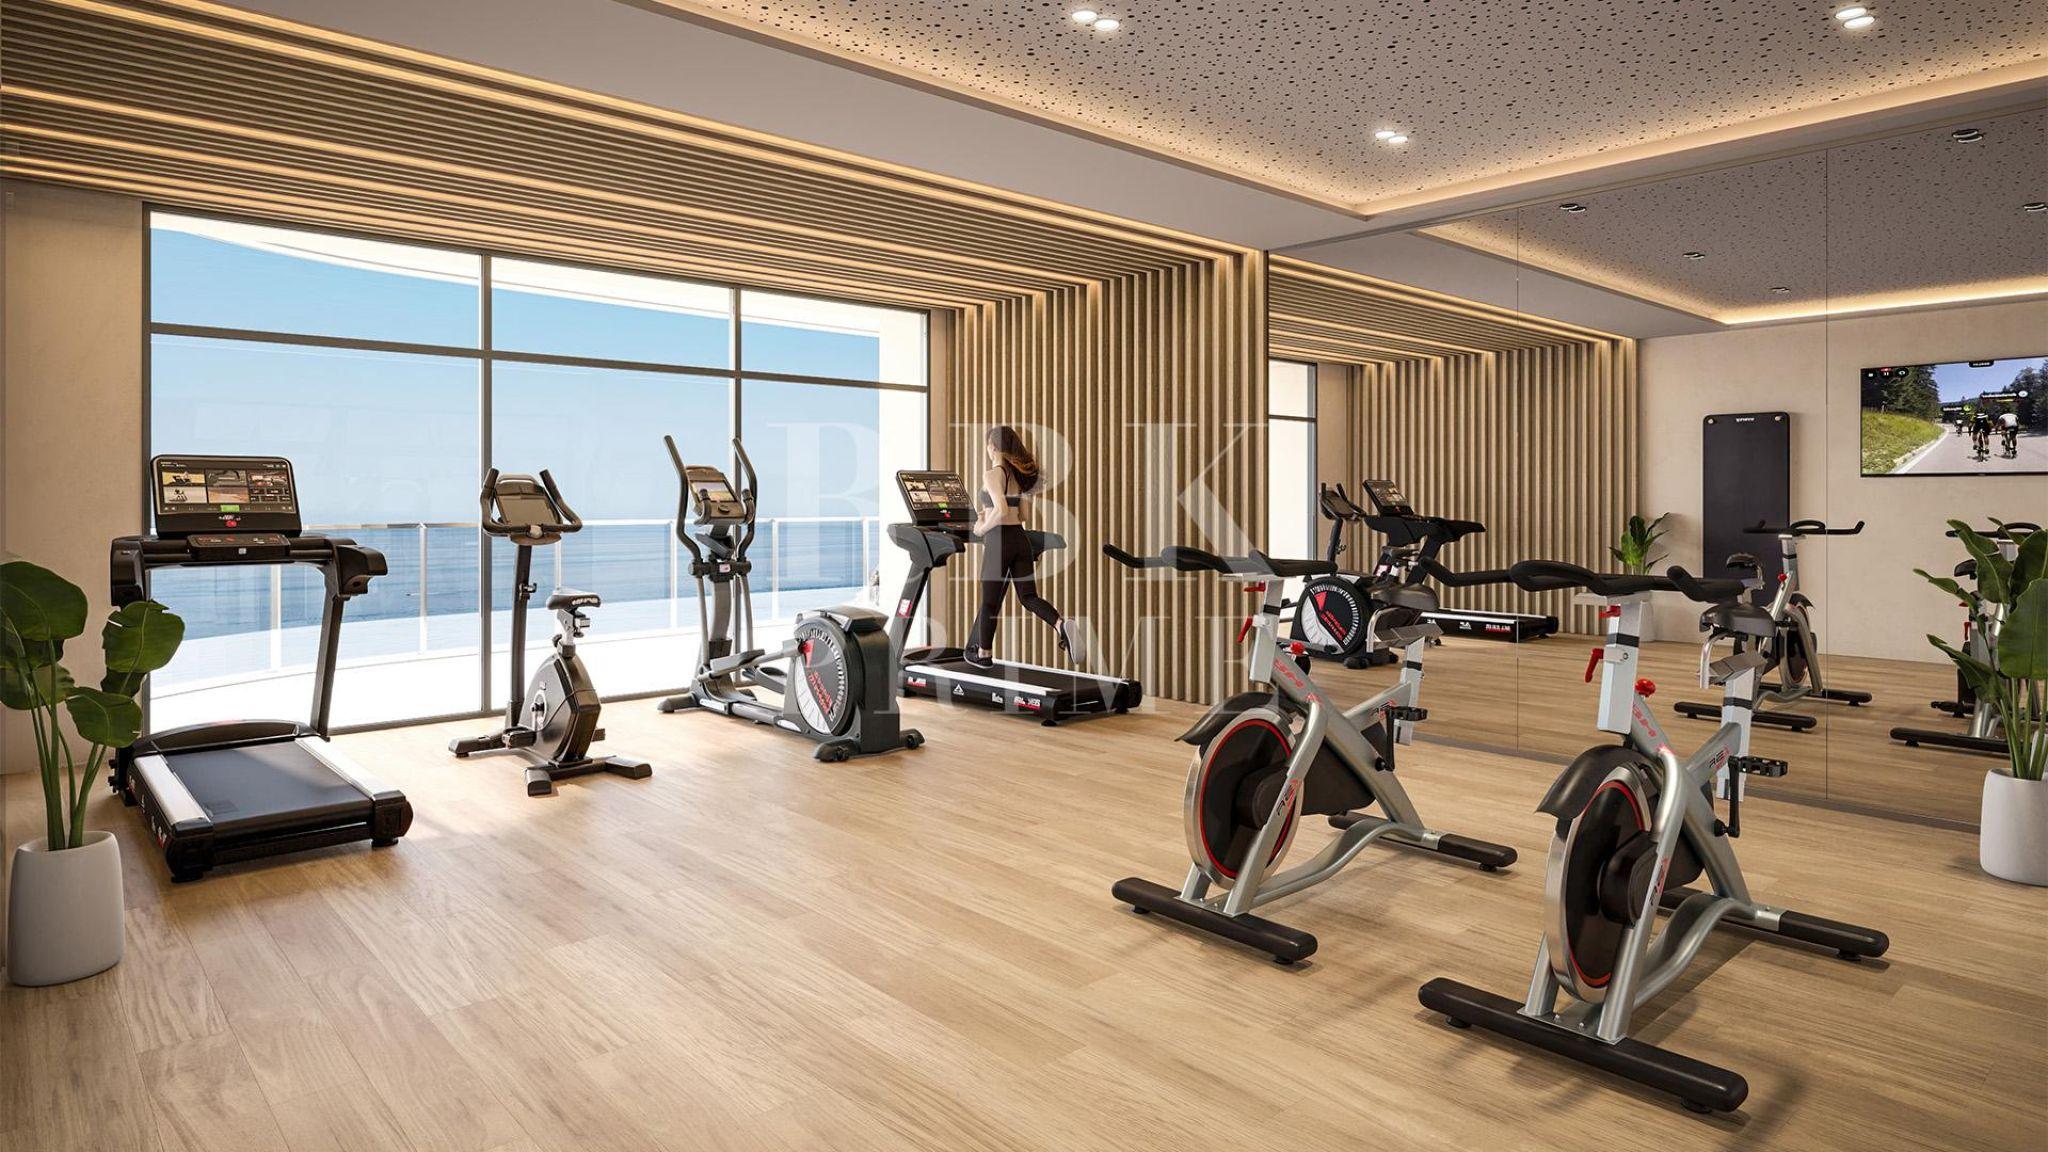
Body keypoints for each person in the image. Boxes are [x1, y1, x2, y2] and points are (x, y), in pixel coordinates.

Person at [965, 425, 1081, 665]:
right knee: (1028, 596)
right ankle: (1060, 624)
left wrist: (981, 528)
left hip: (998, 542)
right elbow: (1023, 515)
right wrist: (988, 514)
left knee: (989, 602)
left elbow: (1001, 509)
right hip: (1020, 539)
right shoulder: (1018, 476)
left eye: (988, 445)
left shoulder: (992, 474)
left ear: (992, 447)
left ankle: (983, 654)